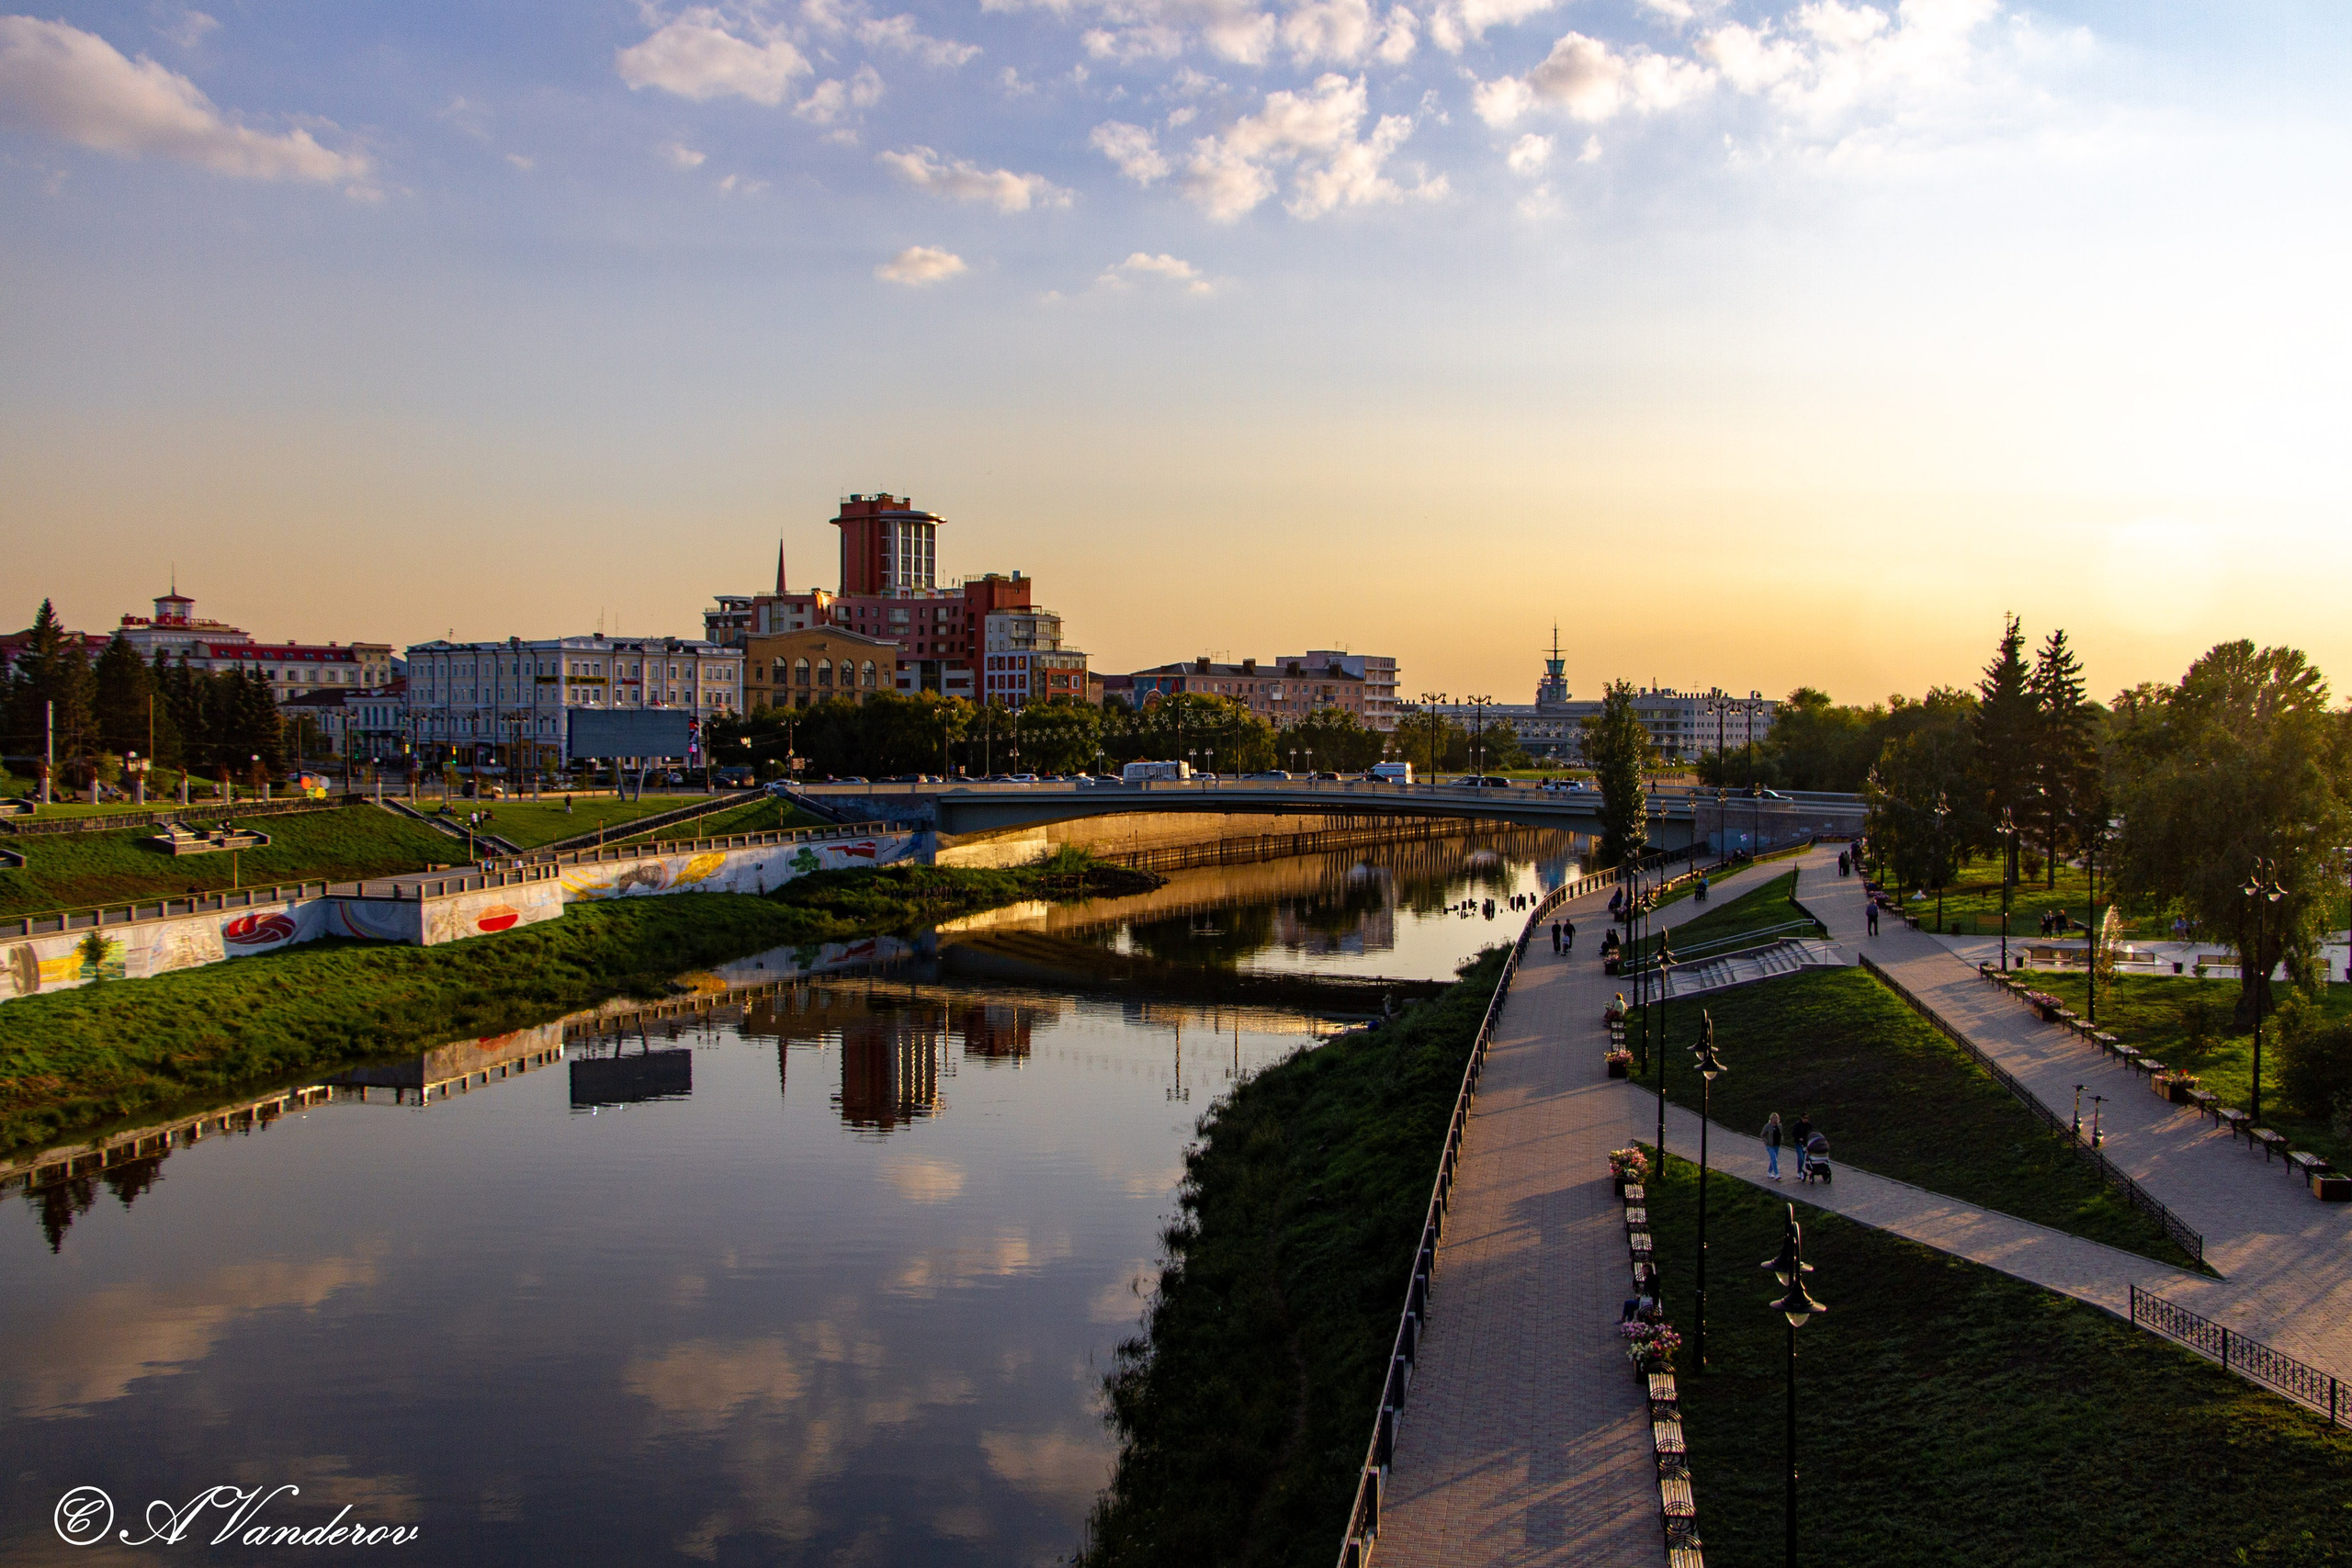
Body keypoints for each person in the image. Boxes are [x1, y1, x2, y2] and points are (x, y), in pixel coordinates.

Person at [1763, 1111, 1784, 1179]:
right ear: (1771, 1119)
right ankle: (1777, 1174)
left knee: (1773, 1159)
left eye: (1777, 1118)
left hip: (1777, 1145)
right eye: (1774, 1118)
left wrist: (1781, 1140)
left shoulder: (1779, 1126)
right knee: (1774, 1158)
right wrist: (1766, 1142)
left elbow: (1781, 1133)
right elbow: (1762, 1135)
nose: (1776, 1119)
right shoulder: (1768, 1126)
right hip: (1770, 1145)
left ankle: (1769, 1172)